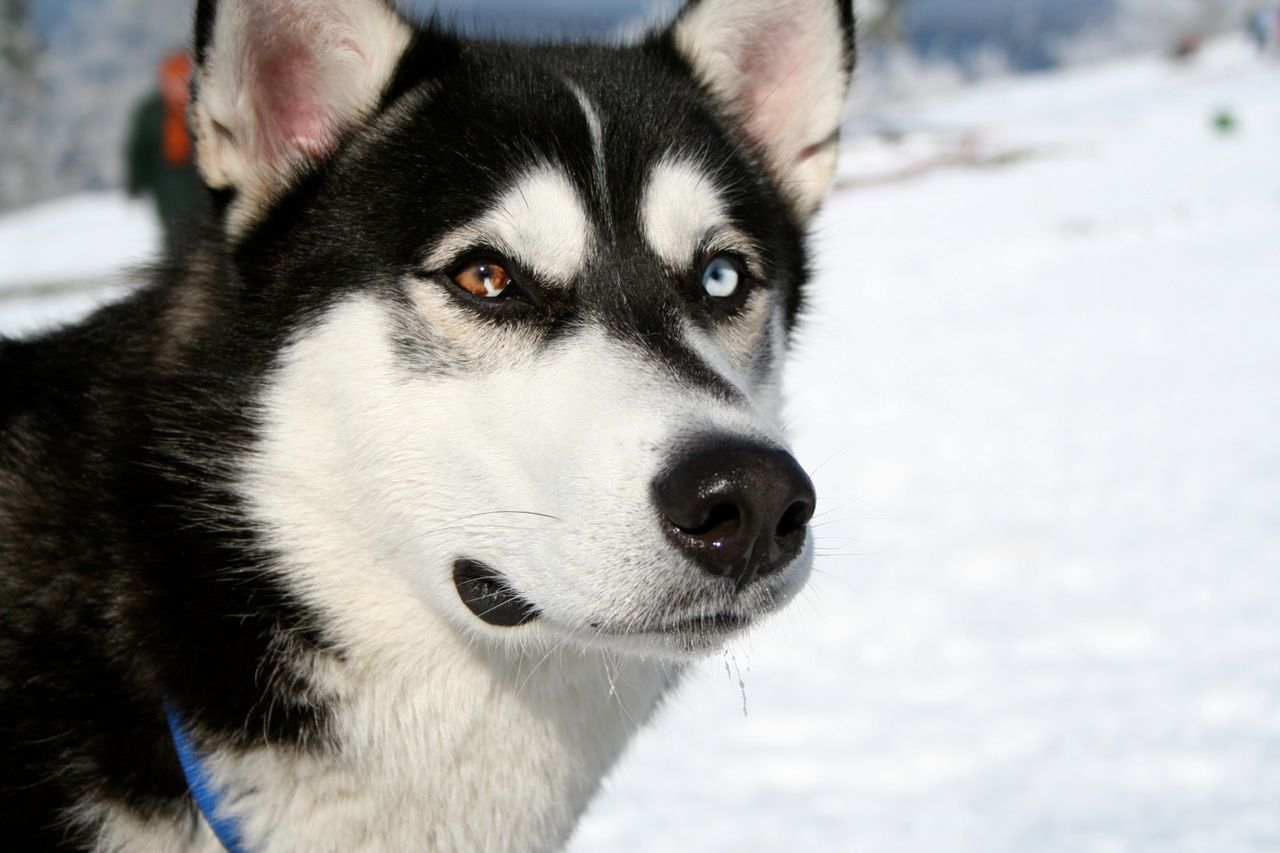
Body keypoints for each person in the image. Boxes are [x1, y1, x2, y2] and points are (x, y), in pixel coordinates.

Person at [125, 51, 202, 237]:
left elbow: (139, 150)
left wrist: (136, 183)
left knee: (179, 232)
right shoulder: (200, 104)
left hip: (174, 188)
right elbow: (140, 150)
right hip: (181, 186)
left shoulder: (153, 110)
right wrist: (136, 181)